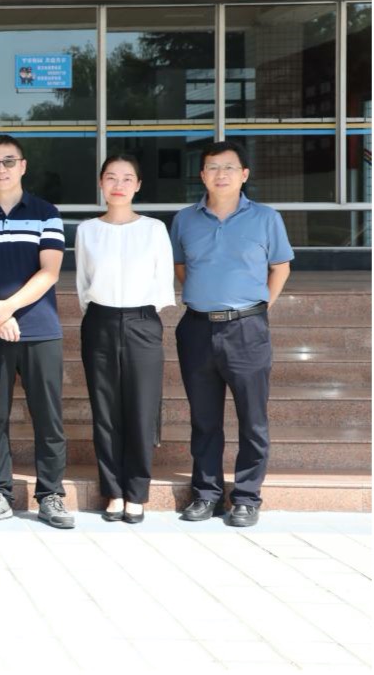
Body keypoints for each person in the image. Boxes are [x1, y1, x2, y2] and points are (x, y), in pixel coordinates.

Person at [171, 141, 292, 528]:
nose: (220, 174)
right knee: (204, 419)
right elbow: (180, 266)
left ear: (244, 174)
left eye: (228, 167)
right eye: (212, 167)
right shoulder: (184, 220)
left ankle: (246, 497)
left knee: (252, 418)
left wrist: (260, 306)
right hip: (197, 327)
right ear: (202, 175)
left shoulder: (266, 218)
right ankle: (206, 494)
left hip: (247, 328)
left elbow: (280, 267)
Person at [0, 134, 72, 529]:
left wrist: (7, 308)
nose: (1, 169)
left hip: (40, 330)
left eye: (8, 161)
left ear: (22, 166)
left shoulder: (46, 213)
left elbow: (50, 271)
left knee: (48, 415)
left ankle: (51, 494)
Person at [75, 155, 175, 525]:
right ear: (101, 183)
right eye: (111, 177)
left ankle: (137, 492)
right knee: (105, 411)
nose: (119, 185)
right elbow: (83, 283)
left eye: (127, 178)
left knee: (141, 409)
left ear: (138, 185)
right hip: (99, 321)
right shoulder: (87, 230)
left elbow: (163, 279)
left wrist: (140, 318)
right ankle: (113, 491)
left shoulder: (154, 229)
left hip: (142, 321)